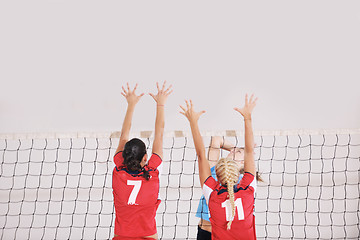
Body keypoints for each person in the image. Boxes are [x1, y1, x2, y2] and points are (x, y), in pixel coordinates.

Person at [180, 94, 258, 240]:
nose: (233, 150)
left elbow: (201, 155)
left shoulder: (213, 189)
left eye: (238, 151)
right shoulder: (247, 187)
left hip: (216, 233)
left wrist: (193, 122)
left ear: (242, 164)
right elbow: (217, 142)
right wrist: (242, 150)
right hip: (206, 231)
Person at [112, 82, 172, 240]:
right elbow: (159, 133)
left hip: (122, 235)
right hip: (148, 235)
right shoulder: (152, 170)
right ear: (145, 157)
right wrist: (161, 104)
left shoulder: (119, 168)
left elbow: (124, 134)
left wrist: (131, 104)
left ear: (125, 155)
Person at [196, 137, 244, 239]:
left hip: (227, 235)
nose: (232, 151)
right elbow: (216, 140)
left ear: (243, 161)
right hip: (205, 233)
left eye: (238, 152)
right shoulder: (215, 171)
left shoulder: (245, 182)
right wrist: (235, 149)